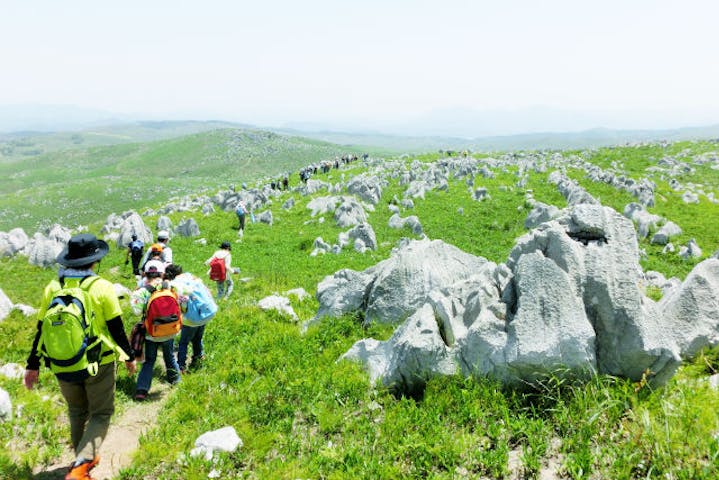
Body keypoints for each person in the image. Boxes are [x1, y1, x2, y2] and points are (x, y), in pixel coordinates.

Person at [24, 233, 136, 480]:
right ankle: (80, 467)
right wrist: (129, 356)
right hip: (99, 362)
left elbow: (41, 329)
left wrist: (32, 365)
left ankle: (83, 459)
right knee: (101, 413)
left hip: (62, 363)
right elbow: (117, 329)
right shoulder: (102, 287)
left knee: (76, 411)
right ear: (95, 261)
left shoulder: (53, 288)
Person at [130, 263, 182, 401]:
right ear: (162, 273)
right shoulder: (171, 286)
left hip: (152, 333)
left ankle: (142, 390)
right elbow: (180, 304)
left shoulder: (142, 291)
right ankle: (176, 381)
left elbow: (135, 312)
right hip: (170, 330)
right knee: (169, 356)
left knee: (149, 361)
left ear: (145, 274)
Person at [164, 264, 215, 373]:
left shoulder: (177, 284)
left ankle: (181, 366)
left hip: (191, 318)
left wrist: (182, 312)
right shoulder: (192, 277)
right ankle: (198, 358)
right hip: (205, 312)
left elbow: (183, 301)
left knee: (184, 342)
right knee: (198, 338)